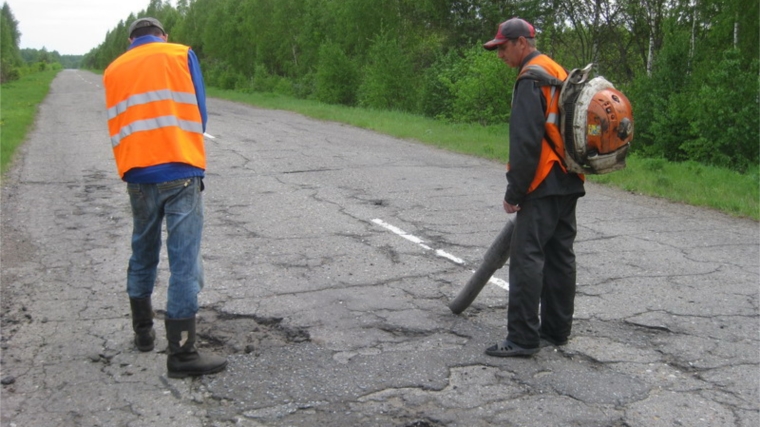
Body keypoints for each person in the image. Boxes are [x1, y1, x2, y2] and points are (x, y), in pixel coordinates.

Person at [103, 17, 227, 377]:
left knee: (142, 249)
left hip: (137, 173)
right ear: (163, 36)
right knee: (184, 260)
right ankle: (183, 354)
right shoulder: (180, 54)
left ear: (130, 40)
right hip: (180, 169)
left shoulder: (113, 69)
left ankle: (143, 334)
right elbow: (199, 115)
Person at [482, 18, 585, 357]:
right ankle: (556, 331)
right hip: (569, 177)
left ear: (522, 43)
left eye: (503, 47)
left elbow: (525, 144)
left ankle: (523, 338)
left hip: (541, 179)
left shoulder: (530, 79)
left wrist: (514, 193)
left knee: (527, 258)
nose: (500, 55)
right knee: (560, 256)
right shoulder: (555, 68)